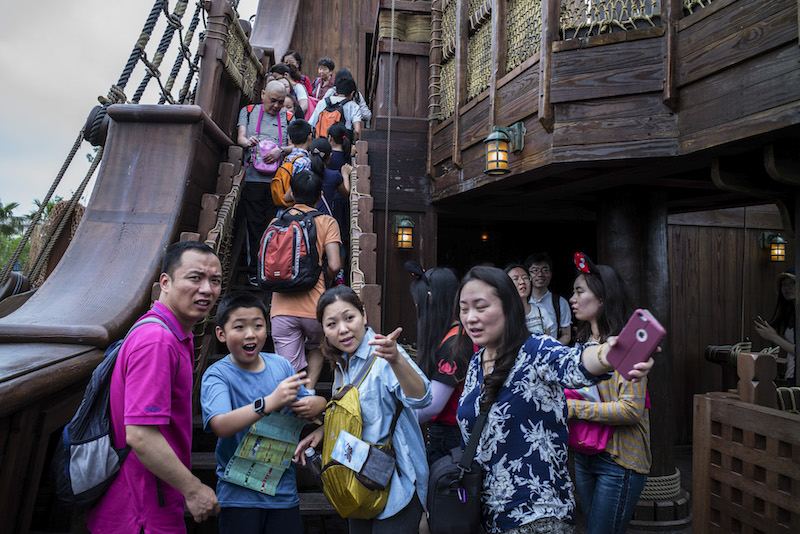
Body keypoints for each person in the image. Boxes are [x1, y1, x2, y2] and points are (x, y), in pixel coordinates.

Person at [454, 266, 654, 534]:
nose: (471, 317)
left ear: (509, 307)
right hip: (487, 514)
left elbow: (577, 362)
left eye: (481, 307)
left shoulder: (536, 350)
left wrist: (609, 355)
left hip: (537, 515)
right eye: (464, 308)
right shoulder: (477, 362)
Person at [86, 241, 223, 532]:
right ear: (165, 282)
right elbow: (141, 435)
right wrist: (194, 489)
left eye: (215, 280)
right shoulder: (157, 341)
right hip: (142, 511)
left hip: (149, 503)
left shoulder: (172, 335)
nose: (208, 289)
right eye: (195, 278)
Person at [294, 285, 432, 533]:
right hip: (356, 480)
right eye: (332, 324)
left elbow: (423, 398)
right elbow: (356, 416)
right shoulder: (340, 364)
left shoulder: (385, 353)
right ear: (323, 330)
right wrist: (323, 431)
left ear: (364, 315)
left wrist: (397, 359)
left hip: (395, 484)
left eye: (349, 318)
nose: (343, 329)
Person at [200, 292, 326, 534]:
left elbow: (309, 402)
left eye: (257, 325)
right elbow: (220, 425)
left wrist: (318, 404)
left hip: (283, 491)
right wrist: (268, 403)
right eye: (239, 326)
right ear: (221, 334)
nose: (250, 334)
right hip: (238, 494)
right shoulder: (217, 375)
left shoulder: (281, 365)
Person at [566, 257, 651, 534]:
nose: (572, 298)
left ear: (602, 299)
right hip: (584, 452)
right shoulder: (580, 343)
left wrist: (573, 408)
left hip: (618, 458)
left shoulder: (629, 344)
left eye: (580, 291)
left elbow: (630, 410)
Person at [270, 170, 342, 392]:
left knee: (288, 370)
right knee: (318, 347)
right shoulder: (327, 222)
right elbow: (334, 265)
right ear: (320, 195)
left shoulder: (277, 220)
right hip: (315, 305)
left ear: (292, 192)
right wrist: (323, 279)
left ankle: (293, 401)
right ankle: (309, 391)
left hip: (281, 307)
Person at [405, 262, 473, 464]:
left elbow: (433, 405)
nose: (417, 309)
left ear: (431, 299)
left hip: (449, 436)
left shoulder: (455, 344)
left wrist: (397, 424)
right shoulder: (452, 336)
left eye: (418, 304)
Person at [237, 80, 293, 284]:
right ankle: (255, 272)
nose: (276, 106)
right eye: (273, 101)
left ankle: (270, 271)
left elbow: (294, 145)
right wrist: (248, 142)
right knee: (255, 226)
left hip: (278, 182)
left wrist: (281, 150)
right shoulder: (249, 111)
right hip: (253, 179)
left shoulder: (288, 116)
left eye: (280, 102)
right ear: (262, 95)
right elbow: (240, 137)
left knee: (275, 227)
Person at [754, 267, 796, 386]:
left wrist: (774, 337)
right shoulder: (791, 313)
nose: (787, 287)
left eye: (793, 283)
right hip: (792, 375)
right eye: (784, 284)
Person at [526, 252, 572, 344]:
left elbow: (566, 335)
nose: (540, 274)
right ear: (528, 275)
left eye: (545, 270)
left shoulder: (560, 302)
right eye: (535, 270)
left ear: (551, 274)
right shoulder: (522, 302)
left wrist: (551, 350)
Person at [504, 263, 553, 336]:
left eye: (525, 277)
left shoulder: (541, 312)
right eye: (515, 279)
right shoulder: (502, 316)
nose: (522, 282)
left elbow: (547, 343)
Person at [276, 119, 313, 208]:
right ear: (310, 136)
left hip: (283, 210)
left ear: (291, 140)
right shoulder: (305, 161)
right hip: (297, 210)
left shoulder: (287, 158)